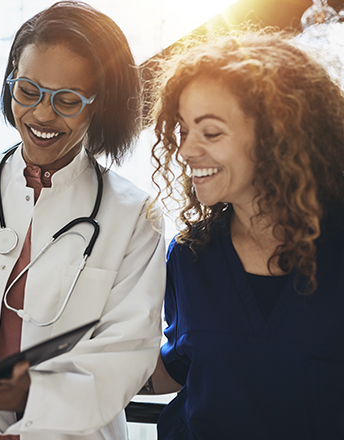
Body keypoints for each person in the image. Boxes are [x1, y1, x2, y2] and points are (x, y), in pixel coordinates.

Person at [0, 1, 166, 439]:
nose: (41, 114)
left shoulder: (134, 215)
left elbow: (127, 354)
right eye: (28, 91)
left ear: (100, 105)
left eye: (68, 100)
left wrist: (22, 398)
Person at [141, 31, 344, 439]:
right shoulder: (190, 255)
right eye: (182, 131)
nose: (185, 151)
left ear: (276, 136)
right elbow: (180, 367)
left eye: (210, 133)